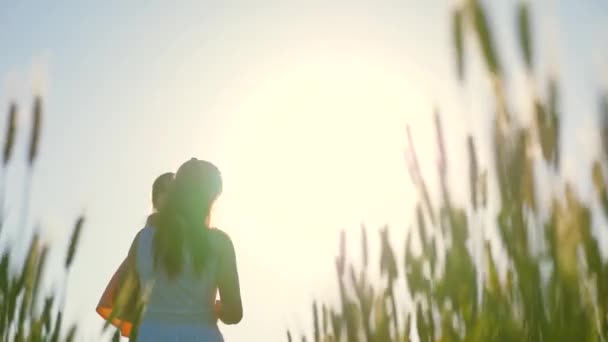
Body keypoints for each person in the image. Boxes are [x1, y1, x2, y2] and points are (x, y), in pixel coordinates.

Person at [127, 158, 242, 341]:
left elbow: (128, 302)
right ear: (211, 198)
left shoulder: (143, 239)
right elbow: (234, 313)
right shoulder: (221, 244)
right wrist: (215, 308)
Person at [96, 172, 175, 337]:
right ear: (157, 200)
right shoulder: (144, 238)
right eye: (170, 192)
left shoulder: (194, 237)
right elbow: (129, 287)